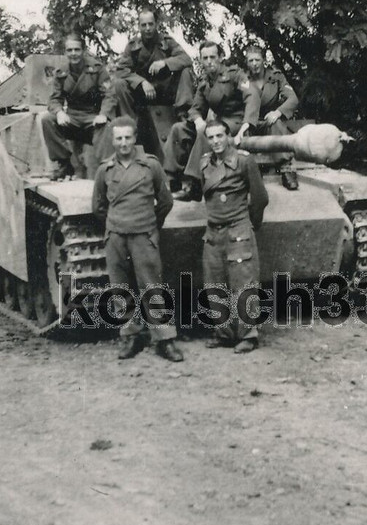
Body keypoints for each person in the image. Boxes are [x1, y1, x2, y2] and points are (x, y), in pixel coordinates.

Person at [91, 116, 184, 362]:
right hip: (117, 236)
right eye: (118, 138)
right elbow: (98, 207)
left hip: (144, 234)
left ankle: (164, 339)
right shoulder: (105, 169)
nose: (123, 143)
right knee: (121, 288)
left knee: (152, 286)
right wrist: (117, 224)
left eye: (127, 137)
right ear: (113, 140)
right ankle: (131, 335)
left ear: (135, 138)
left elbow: (165, 201)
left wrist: (149, 225)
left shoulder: (150, 165)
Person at [199, 119, 269, 354]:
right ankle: (224, 333)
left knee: (243, 285)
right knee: (214, 284)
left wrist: (249, 224)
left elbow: (260, 198)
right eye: (211, 137)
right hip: (213, 231)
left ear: (228, 136)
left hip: (237, 229)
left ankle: (248, 335)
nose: (216, 141)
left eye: (220, 135)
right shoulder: (204, 163)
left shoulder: (244, 161)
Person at [162, 40, 260, 200]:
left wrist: (247, 124)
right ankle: (173, 179)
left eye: (212, 57)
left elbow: (252, 96)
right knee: (178, 129)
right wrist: (198, 120)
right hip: (218, 122)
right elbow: (195, 108)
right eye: (205, 58)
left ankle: (194, 185)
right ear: (201, 60)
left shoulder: (234, 75)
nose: (209, 61)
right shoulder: (205, 81)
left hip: (236, 121)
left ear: (220, 57)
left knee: (208, 133)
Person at [42, 34, 116, 180]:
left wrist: (103, 114)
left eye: (77, 49)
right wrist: (59, 112)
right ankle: (64, 165)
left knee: (107, 126)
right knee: (47, 120)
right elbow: (55, 98)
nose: (73, 54)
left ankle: (107, 169)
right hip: (72, 118)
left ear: (84, 50)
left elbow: (109, 95)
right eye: (69, 50)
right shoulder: (61, 73)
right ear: (65, 52)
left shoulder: (97, 69)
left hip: (92, 117)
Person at [111, 7, 195, 123]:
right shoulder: (133, 46)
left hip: (165, 91)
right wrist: (141, 82)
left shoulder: (167, 41)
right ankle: (128, 122)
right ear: (139, 26)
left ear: (156, 24)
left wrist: (165, 62)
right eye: (144, 25)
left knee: (185, 71)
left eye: (150, 24)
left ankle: (183, 114)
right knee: (119, 83)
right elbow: (121, 70)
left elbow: (186, 59)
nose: (148, 28)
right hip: (143, 93)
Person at [244, 44, 301, 190]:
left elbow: (293, 98)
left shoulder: (275, 77)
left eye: (257, 60)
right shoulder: (242, 79)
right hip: (250, 120)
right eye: (251, 60)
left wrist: (278, 112)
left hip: (269, 121)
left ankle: (286, 170)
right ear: (247, 62)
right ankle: (248, 173)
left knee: (277, 124)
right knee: (242, 129)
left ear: (263, 60)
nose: (254, 64)